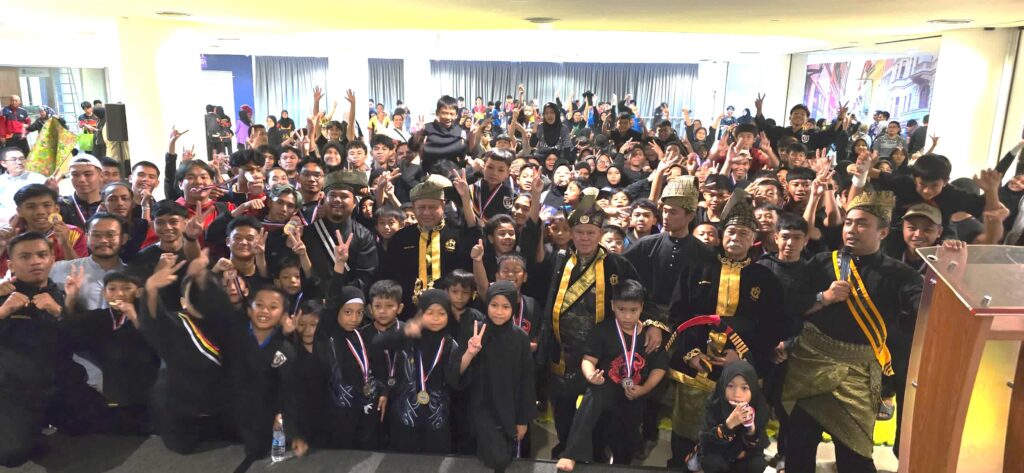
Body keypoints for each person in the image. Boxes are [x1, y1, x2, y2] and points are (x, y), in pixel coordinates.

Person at [782, 190, 922, 473]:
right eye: (848, 222)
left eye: (862, 224)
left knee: (855, 456)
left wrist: (949, 270)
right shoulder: (821, 263)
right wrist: (823, 298)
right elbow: (791, 304)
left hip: (858, 373)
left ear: (883, 232)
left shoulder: (900, 274)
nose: (851, 229)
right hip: (810, 366)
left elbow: (924, 309)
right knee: (798, 449)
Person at [666, 189, 783, 467]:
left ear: (753, 240)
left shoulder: (765, 278)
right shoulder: (697, 268)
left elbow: (771, 327)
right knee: (687, 429)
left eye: (743, 233)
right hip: (697, 363)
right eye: (731, 231)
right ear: (721, 235)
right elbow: (679, 314)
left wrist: (741, 358)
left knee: (735, 432)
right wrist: (691, 353)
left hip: (740, 368)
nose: (735, 238)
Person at [540, 187, 640, 459]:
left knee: (599, 412)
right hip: (563, 351)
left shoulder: (616, 264)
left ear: (600, 234)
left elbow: (639, 297)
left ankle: (596, 455)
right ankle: (565, 448)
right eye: (580, 232)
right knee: (562, 408)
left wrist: (652, 326)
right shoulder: (559, 260)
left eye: (591, 233)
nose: (585, 238)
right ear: (571, 233)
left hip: (601, 354)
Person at [0, 232, 107, 467]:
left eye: (42, 255)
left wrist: (60, 311)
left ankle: (44, 419)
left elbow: (86, 343)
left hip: (61, 384)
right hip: (14, 392)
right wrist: (3, 311)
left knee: (93, 420)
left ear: (51, 259)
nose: (35, 261)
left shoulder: (65, 294)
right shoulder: (2, 294)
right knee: (11, 454)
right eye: (25, 257)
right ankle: (26, 427)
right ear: (11, 264)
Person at [555, 279, 667, 471]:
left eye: (633, 310)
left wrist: (644, 389)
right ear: (613, 306)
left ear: (642, 308)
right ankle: (571, 453)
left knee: (627, 445)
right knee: (592, 397)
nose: (627, 316)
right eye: (622, 309)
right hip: (606, 389)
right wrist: (591, 375)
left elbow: (660, 368)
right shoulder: (603, 330)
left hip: (634, 394)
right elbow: (588, 359)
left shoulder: (650, 336)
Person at [450, 281, 537, 472]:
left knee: (502, 459)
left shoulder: (520, 338)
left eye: (505, 306)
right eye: (494, 305)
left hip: (508, 408)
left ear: (513, 308)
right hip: (479, 407)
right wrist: (470, 352)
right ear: (487, 304)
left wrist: (523, 419)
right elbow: (455, 373)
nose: (499, 312)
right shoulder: (475, 331)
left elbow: (527, 380)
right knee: (496, 459)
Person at [61, 270, 160, 434]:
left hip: (147, 389)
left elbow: (157, 343)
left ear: (139, 292)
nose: (119, 294)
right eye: (112, 289)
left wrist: (133, 317)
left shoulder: (149, 314)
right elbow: (73, 332)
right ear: (104, 293)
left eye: (126, 288)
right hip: (114, 388)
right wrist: (71, 298)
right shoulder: (99, 317)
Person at [372, 289, 459, 454]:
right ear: (420, 313)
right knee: (404, 461)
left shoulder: (450, 344)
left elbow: (454, 380)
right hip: (405, 412)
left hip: (437, 414)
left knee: (435, 460)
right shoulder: (408, 336)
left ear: (449, 315)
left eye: (441, 313)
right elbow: (377, 343)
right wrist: (404, 332)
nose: (435, 318)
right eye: (429, 313)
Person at [381, 174, 480, 319]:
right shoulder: (401, 238)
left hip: (452, 313)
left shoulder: (458, 234)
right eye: (421, 207)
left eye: (433, 207)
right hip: (409, 314)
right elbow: (390, 276)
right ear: (413, 207)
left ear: (443, 206)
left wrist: (465, 198)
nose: (426, 212)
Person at [309, 285, 385, 449]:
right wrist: (339, 272)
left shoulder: (362, 335)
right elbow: (330, 306)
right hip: (338, 411)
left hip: (365, 408)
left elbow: (374, 368)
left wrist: (381, 390)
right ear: (337, 311)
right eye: (348, 312)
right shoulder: (328, 335)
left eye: (359, 313)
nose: (354, 318)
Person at [696, 360, 770, 473]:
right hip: (719, 455)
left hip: (744, 457)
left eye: (744, 388)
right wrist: (729, 425)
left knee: (757, 464)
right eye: (730, 386)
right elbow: (706, 443)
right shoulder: (715, 404)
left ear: (753, 389)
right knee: (711, 462)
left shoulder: (759, 405)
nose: (737, 394)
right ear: (723, 386)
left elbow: (760, 445)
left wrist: (750, 427)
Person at [0, 184, 88, 275]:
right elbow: (2, 274)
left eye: (46, 205)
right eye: (31, 207)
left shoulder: (73, 233)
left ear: (57, 209)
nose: (40, 212)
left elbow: (81, 273)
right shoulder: (11, 236)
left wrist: (66, 244)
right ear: (19, 211)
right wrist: (1, 246)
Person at [49, 213, 128, 310]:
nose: (103, 240)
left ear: (123, 239)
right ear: (87, 237)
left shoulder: (132, 275)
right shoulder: (62, 269)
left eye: (110, 235)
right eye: (96, 235)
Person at [0, 146, 46, 224]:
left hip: (34, 220)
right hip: (6, 222)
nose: (19, 162)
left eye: (21, 158)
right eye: (13, 159)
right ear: (3, 163)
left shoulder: (38, 178)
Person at [59, 154, 105, 230]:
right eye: (75, 175)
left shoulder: (110, 204)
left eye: (87, 174)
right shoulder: (61, 205)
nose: (81, 180)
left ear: (101, 176)